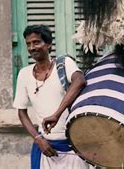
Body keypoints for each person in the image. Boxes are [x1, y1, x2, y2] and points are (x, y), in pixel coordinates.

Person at [13, 24, 91, 169]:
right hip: (46, 148)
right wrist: (38, 139)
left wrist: (56, 114)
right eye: (28, 44)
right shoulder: (24, 74)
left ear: (48, 44)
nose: (32, 47)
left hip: (74, 147)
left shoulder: (64, 64)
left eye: (36, 42)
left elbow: (79, 81)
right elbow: (21, 112)